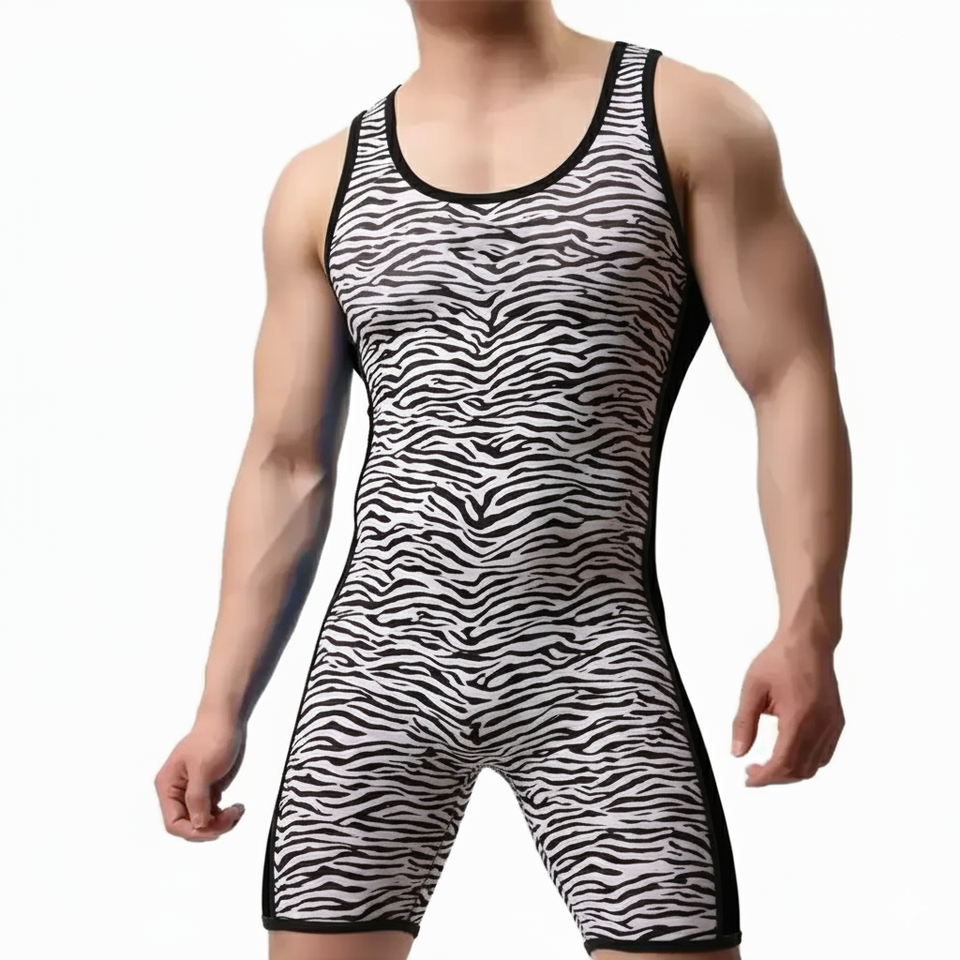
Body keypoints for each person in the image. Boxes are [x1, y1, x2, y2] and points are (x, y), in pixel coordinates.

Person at [154, 2, 850, 958]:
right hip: (376, 675)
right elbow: (285, 461)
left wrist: (809, 625)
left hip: (593, 667)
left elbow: (789, 379)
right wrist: (219, 707)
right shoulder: (322, 183)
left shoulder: (688, 121)